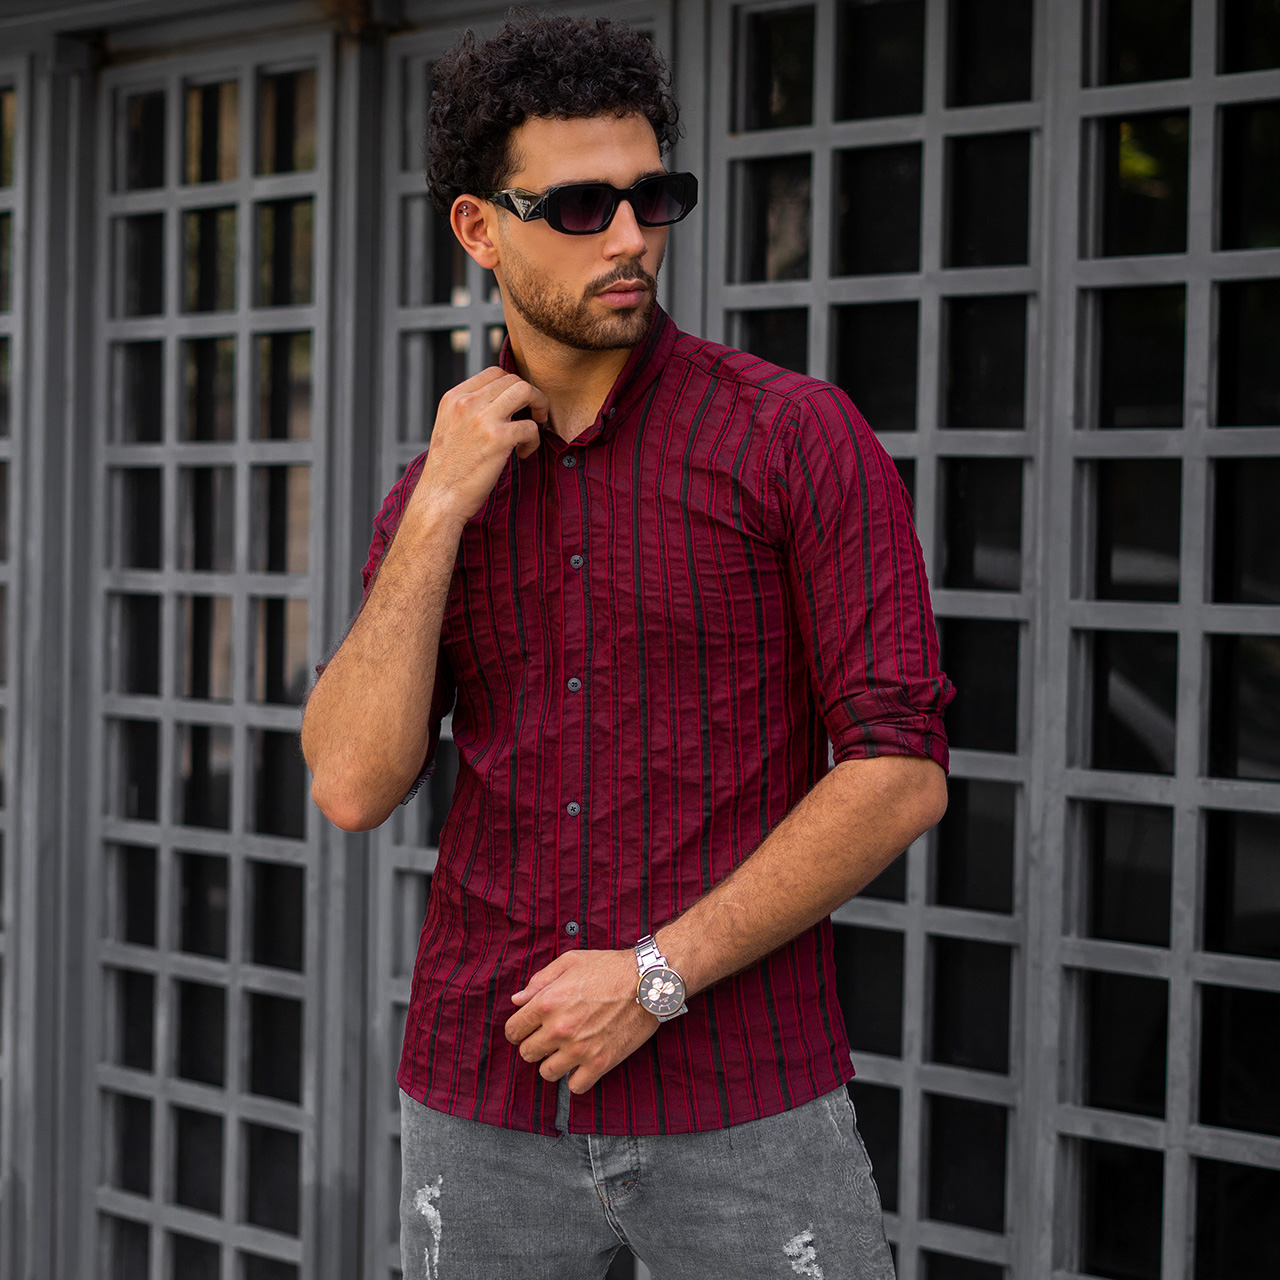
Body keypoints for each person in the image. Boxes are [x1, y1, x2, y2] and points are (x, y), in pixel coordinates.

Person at [302, 11, 953, 1279]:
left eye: (652, 198)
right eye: (578, 205)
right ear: (478, 227)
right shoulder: (441, 489)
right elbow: (351, 781)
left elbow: (898, 771)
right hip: (481, 1102)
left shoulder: (791, 437)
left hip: (741, 1099)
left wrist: (653, 975)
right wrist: (435, 506)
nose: (627, 238)